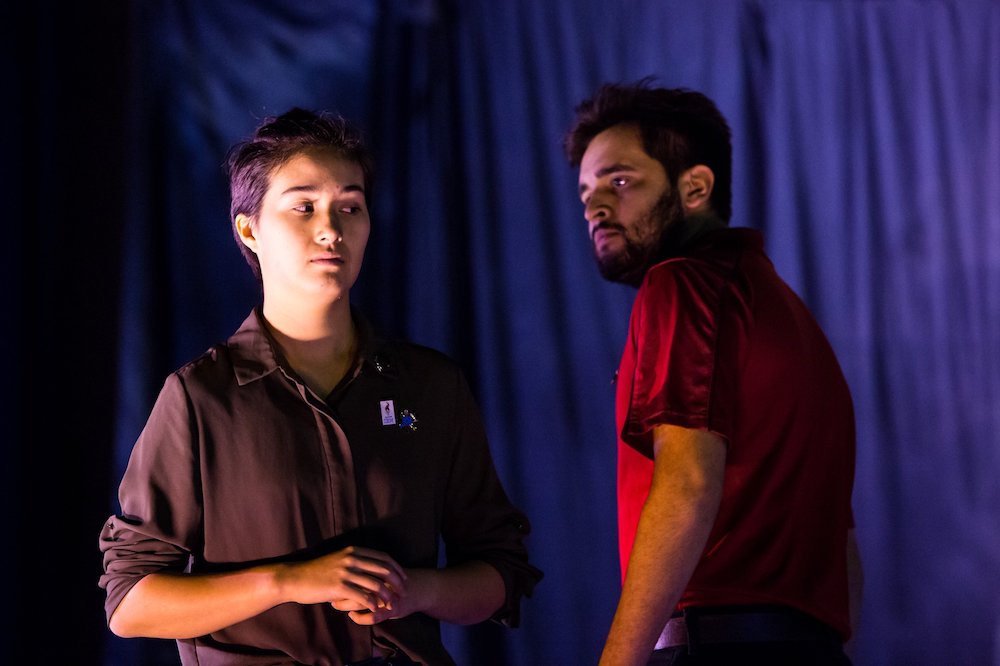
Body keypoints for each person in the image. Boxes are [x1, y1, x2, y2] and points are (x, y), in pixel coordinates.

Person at [100, 108, 542, 666]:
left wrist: (415, 592)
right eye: (303, 207)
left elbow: (500, 570)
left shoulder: (431, 386)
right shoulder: (201, 398)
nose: (331, 228)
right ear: (249, 228)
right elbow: (130, 602)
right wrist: (289, 581)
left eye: (350, 207)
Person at [564, 80, 862, 665]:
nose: (596, 206)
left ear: (695, 186)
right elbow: (844, 554)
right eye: (586, 193)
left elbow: (688, 483)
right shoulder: (796, 322)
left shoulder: (681, 282)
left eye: (620, 181)